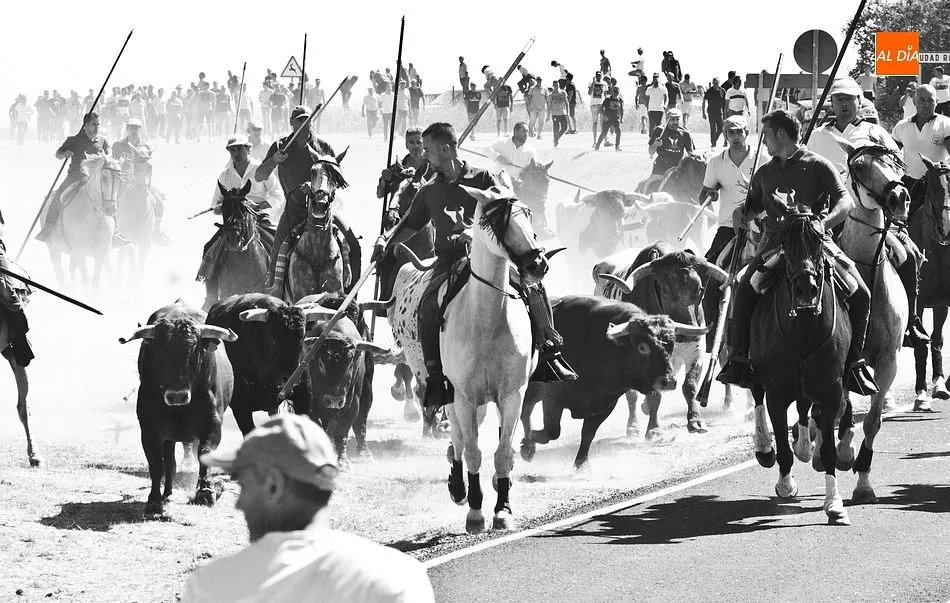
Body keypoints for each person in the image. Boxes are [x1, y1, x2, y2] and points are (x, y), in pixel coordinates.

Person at [371, 123, 577, 408]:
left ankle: (549, 354)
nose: (425, 156)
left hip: (489, 257)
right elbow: (410, 225)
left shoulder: (484, 178)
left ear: (445, 149)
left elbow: (511, 209)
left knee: (534, 288)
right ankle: (436, 379)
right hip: (448, 263)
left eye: (428, 150)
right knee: (428, 307)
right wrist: (385, 240)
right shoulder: (429, 191)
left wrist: (475, 232)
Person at [182, 414, 434, 603]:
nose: (239, 504)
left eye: (244, 486)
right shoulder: (400, 575)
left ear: (273, 485)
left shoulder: (211, 587)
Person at [717, 109, 878, 395]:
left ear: (780, 135)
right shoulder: (764, 172)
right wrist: (741, 213)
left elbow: (846, 203)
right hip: (775, 245)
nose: (763, 142)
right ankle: (739, 360)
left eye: (766, 135)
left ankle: (854, 364)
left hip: (816, 244)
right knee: (743, 289)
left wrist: (822, 224)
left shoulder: (818, 165)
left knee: (861, 294)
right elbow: (753, 206)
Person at [806, 77, 929, 348]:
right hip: (829, 215)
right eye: (838, 99)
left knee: (907, 255)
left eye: (849, 99)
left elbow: (897, 168)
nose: (843, 104)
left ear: (859, 101)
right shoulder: (817, 136)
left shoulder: (875, 132)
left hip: (871, 216)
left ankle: (911, 322)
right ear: (831, 103)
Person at [37, 112, 127, 246]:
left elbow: (108, 159)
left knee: (110, 199)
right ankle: (49, 228)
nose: (96, 127)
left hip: (96, 180)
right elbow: (58, 154)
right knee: (57, 197)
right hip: (75, 177)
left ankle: (115, 232)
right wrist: (64, 153)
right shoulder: (73, 140)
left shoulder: (102, 141)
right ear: (85, 125)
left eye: (98, 124)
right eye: (93, 124)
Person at [891, 84, 950, 214]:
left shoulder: (946, 124)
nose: (926, 104)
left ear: (937, 102)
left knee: (941, 222)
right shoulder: (901, 126)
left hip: (939, 186)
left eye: (930, 100)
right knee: (905, 221)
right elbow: (890, 156)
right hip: (910, 185)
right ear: (914, 101)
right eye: (922, 100)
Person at [111, 118, 171, 245]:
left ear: (140, 130)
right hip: (122, 184)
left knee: (159, 202)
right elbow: (114, 166)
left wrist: (147, 183)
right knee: (112, 203)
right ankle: (114, 232)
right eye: (131, 128)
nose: (134, 131)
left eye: (136, 128)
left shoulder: (145, 147)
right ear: (127, 129)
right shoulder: (118, 146)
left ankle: (156, 231)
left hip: (141, 183)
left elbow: (149, 168)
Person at [646, 108, 694, 184]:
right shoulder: (659, 130)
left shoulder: (685, 134)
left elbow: (691, 154)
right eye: (672, 119)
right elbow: (650, 152)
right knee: (651, 185)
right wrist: (655, 144)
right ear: (667, 119)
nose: (675, 122)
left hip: (678, 168)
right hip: (661, 166)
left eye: (677, 119)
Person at [594, 86, 624, 151]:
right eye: (615, 92)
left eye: (617, 92)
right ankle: (597, 145)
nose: (616, 93)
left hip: (616, 118)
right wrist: (604, 115)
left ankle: (617, 147)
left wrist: (621, 118)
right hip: (607, 118)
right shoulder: (608, 99)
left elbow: (621, 109)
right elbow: (601, 108)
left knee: (618, 132)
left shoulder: (620, 100)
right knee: (604, 133)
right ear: (612, 92)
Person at [703, 77, 726, 146]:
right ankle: (713, 144)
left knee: (721, 128)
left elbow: (725, 102)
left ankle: (714, 139)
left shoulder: (722, 91)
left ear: (719, 83)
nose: (716, 84)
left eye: (717, 83)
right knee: (713, 128)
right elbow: (704, 101)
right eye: (714, 83)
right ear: (713, 83)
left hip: (719, 112)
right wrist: (703, 113)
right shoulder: (709, 91)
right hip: (711, 112)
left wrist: (725, 112)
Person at [589, 71, 608, 146]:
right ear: (595, 76)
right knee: (595, 123)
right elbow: (589, 93)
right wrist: (593, 83)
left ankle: (605, 140)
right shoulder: (591, 83)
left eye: (599, 75)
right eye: (597, 75)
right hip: (593, 104)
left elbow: (605, 95)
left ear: (601, 76)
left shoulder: (604, 83)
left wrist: (606, 104)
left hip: (601, 104)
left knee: (603, 123)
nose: (598, 77)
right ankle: (594, 141)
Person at [548, 81, 570, 147]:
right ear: (553, 86)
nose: (556, 86)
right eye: (554, 85)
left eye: (557, 85)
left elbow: (566, 102)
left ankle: (556, 139)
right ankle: (556, 143)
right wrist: (548, 115)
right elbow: (549, 106)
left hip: (562, 113)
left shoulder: (563, 92)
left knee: (565, 127)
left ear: (558, 85)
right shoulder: (550, 95)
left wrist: (567, 112)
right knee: (556, 129)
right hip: (555, 114)